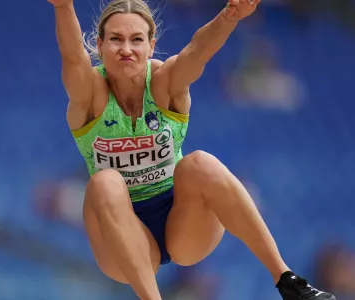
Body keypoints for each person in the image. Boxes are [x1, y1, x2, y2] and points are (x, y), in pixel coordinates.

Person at [48, 0, 336, 299]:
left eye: (136, 39)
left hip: (181, 226)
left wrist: (230, 16)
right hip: (119, 234)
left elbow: (198, 52)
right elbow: (71, 57)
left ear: (151, 45)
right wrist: (63, 6)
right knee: (105, 183)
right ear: (100, 44)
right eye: (116, 39)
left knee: (200, 163)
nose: (126, 49)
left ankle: (287, 281)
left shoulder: (163, 83)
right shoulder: (90, 92)